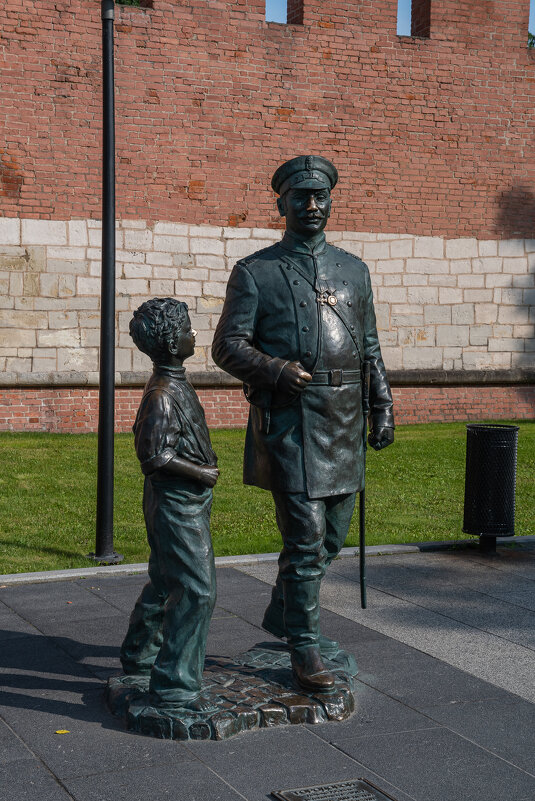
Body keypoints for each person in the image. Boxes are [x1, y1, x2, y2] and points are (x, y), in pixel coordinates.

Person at [212, 155, 394, 692]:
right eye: (300, 198)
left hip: (343, 421)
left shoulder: (354, 270)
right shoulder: (256, 271)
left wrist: (382, 406)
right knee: (306, 540)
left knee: (331, 537)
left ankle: (285, 612)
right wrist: (273, 369)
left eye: (320, 197)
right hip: (290, 423)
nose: (312, 206)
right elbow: (227, 346)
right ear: (282, 205)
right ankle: (304, 646)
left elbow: (369, 348)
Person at [120, 297, 219, 711]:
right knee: (197, 590)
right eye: (187, 329)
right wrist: (201, 473)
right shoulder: (163, 394)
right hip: (176, 501)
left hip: (182, 501)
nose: (194, 334)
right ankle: (174, 685)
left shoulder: (174, 383)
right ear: (169, 341)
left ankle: (139, 653)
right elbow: (154, 457)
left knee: (165, 579)